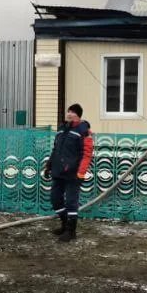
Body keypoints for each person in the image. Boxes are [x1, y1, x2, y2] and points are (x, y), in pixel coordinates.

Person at [48, 103, 93, 243]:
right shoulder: (61, 129)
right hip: (58, 171)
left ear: (78, 115)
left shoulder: (83, 131)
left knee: (71, 202)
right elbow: (56, 149)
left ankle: (71, 231)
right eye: (68, 111)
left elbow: (87, 154)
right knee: (55, 199)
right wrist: (49, 165)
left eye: (72, 112)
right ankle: (64, 224)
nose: (69, 113)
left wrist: (81, 173)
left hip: (73, 173)